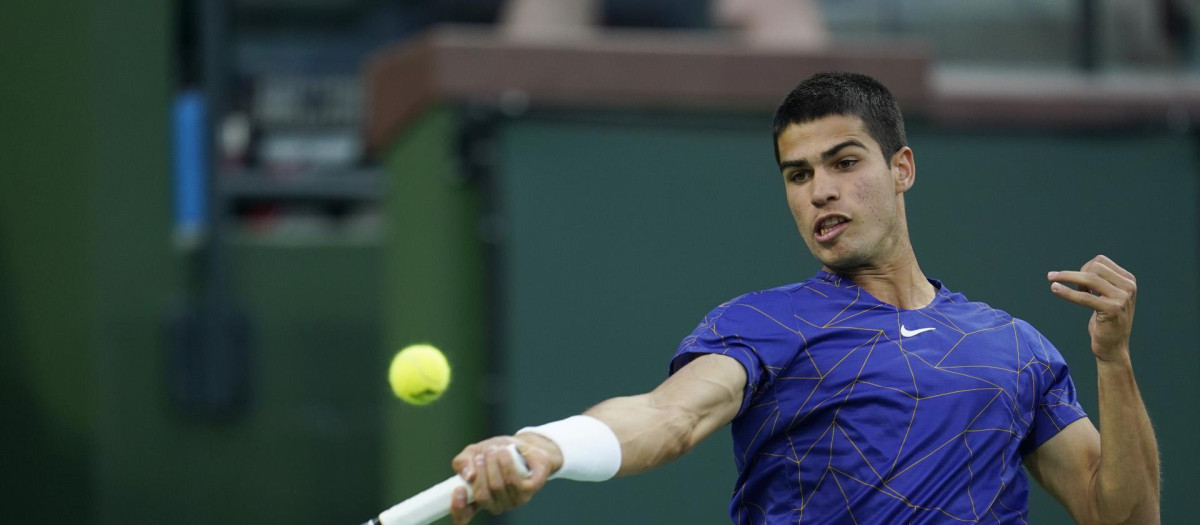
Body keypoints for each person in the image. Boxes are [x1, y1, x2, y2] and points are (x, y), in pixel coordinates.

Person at [445, 72, 1161, 524]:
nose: (820, 190)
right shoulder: (763, 325)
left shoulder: (1014, 347)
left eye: (845, 162)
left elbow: (1123, 516)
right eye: (797, 173)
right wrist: (549, 445)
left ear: (901, 167)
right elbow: (669, 416)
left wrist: (1114, 359)